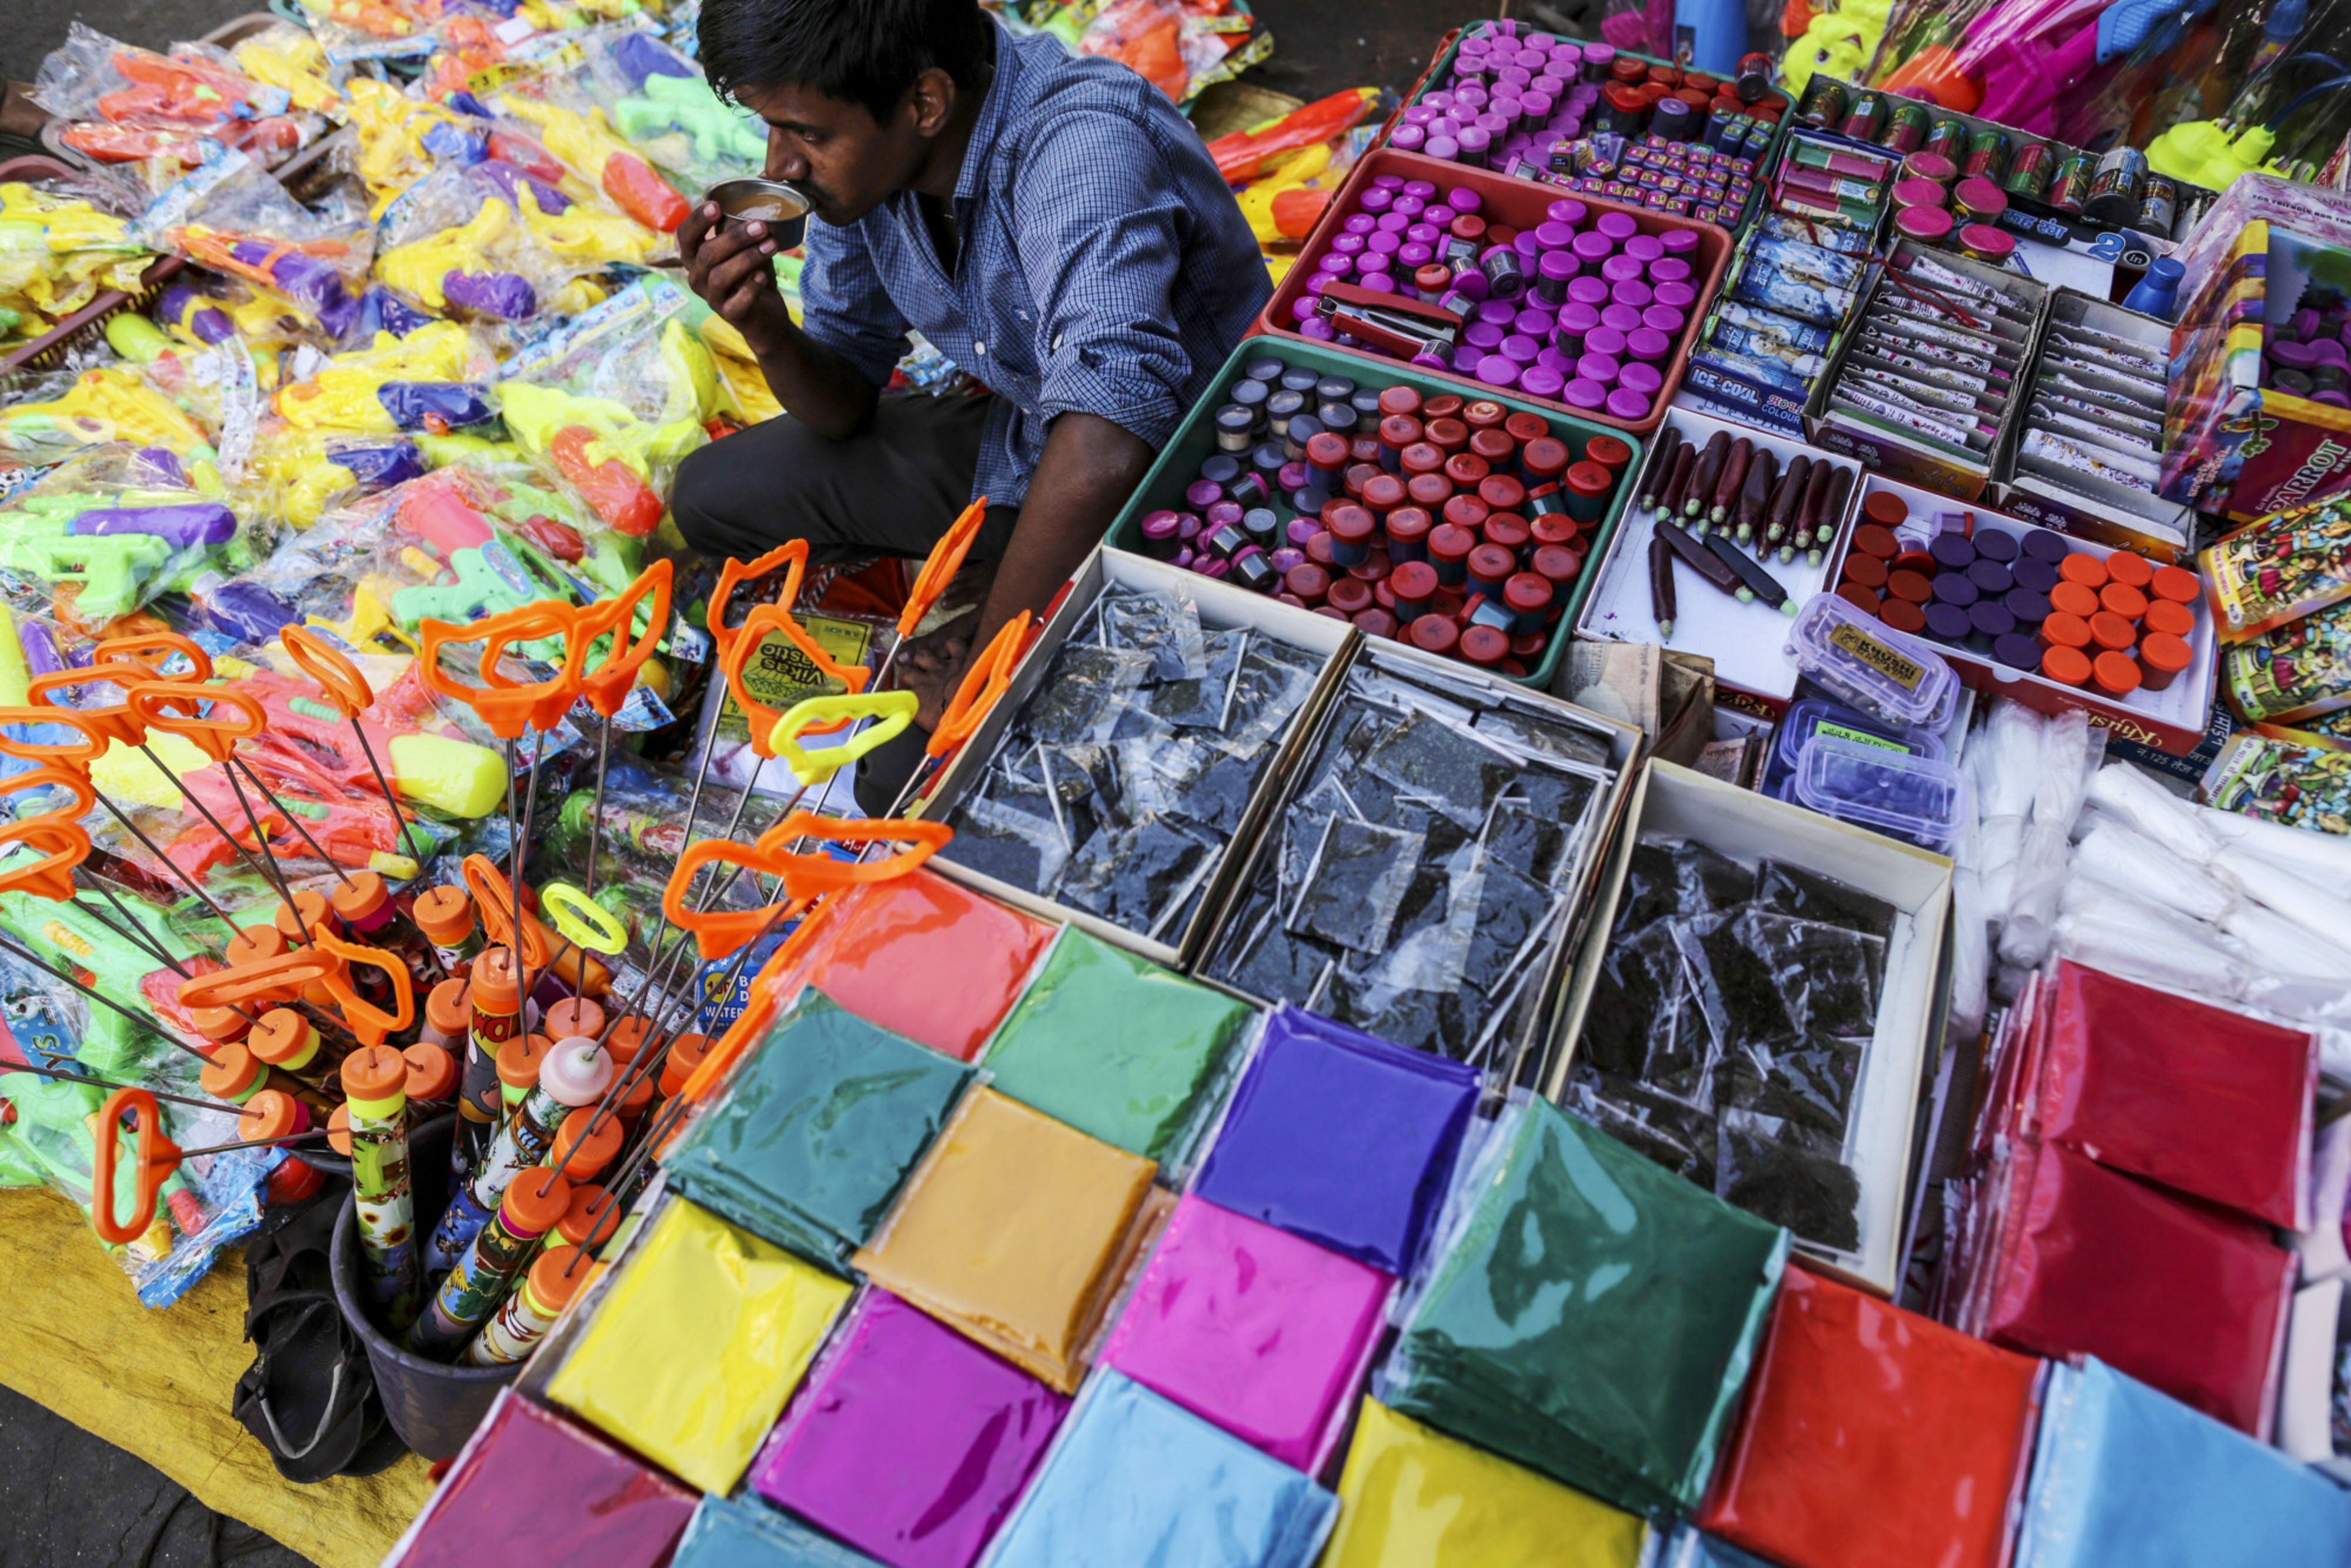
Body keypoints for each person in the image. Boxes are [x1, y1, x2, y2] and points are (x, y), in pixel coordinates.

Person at [672, 0, 1269, 808]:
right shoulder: (869, 166)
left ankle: (1024, 590)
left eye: (806, 134)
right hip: (1036, 445)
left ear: (925, 103)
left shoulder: (1082, 149)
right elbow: (845, 402)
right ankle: (1018, 573)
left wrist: (985, 664)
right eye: (772, 128)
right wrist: (764, 326)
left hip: (1194, 491)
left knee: (906, 777)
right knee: (712, 495)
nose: (782, 165)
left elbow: (1109, 439)